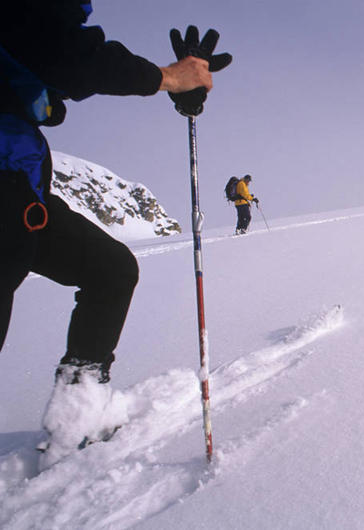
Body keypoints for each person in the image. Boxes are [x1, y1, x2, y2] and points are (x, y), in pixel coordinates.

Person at [0, 1, 230, 469]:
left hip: (20, 188)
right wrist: (170, 77)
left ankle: (76, 416)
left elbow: (46, 59)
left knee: (109, 268)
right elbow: (61, 50)